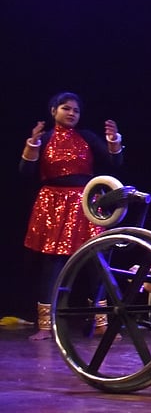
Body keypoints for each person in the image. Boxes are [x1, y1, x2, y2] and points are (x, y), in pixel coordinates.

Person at [19, 91, 123, 340]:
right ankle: (45, 325)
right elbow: (25, 173)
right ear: (53, 111)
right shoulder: (43, 139)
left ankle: (100, 322)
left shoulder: (86, 137)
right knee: (53, 264)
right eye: (66, 108)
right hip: (52, 204)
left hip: (85, 202)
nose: (72, 113)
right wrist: (31, 145)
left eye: (76, 110)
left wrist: (113, 141)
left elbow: (114, 164)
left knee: (96, 260)